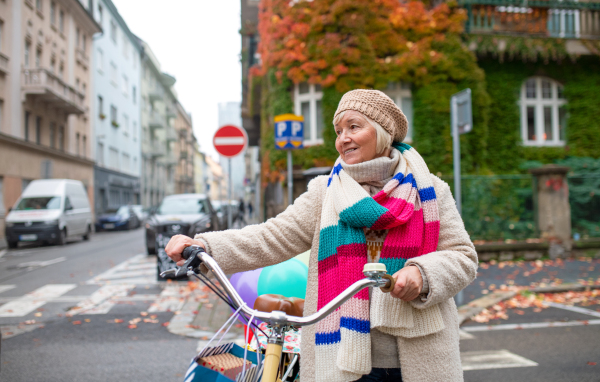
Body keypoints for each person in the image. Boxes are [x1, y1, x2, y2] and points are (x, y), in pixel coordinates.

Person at [166, 89, 477, 382]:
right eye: (339, 131)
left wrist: (422, 274)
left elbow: (463, 256)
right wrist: (205, 245)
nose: (343, 139)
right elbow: (271, 236)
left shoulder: (431, 192)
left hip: (418, 358)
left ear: (383, 133)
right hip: (344, 359)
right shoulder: (324, 193)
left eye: (353, 127)